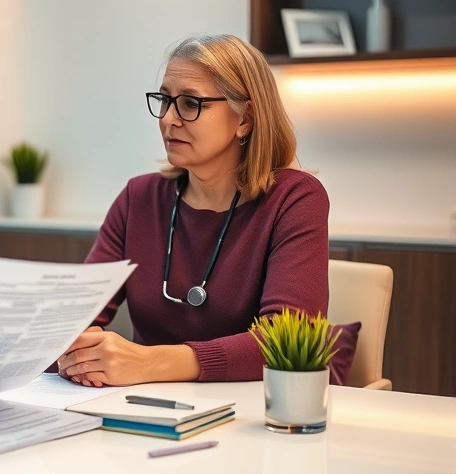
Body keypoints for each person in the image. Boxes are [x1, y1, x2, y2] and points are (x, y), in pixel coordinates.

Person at [58, 34, 329, 386]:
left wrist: (150, 362)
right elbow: (78, 316)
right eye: (165, 100)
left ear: (244, 119)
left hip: (259, 417)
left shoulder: (294, 198)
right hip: (148, 411)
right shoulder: (138, 198)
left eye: (190, 103)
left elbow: (287, 342)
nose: (169, 119)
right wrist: (70, 346)